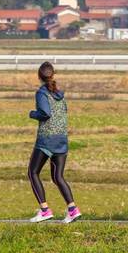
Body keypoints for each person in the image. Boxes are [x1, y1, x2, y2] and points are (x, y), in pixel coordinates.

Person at [27, 61, 81, 223]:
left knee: (33, 172)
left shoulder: (42, 93)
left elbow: (45, 113)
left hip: (47, 139)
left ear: (39, 76)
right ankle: (72, 209)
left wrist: (33, 114)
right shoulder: (60, 94)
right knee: (58, 176)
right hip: (61, 139)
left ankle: (44, 210)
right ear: (53, 75)